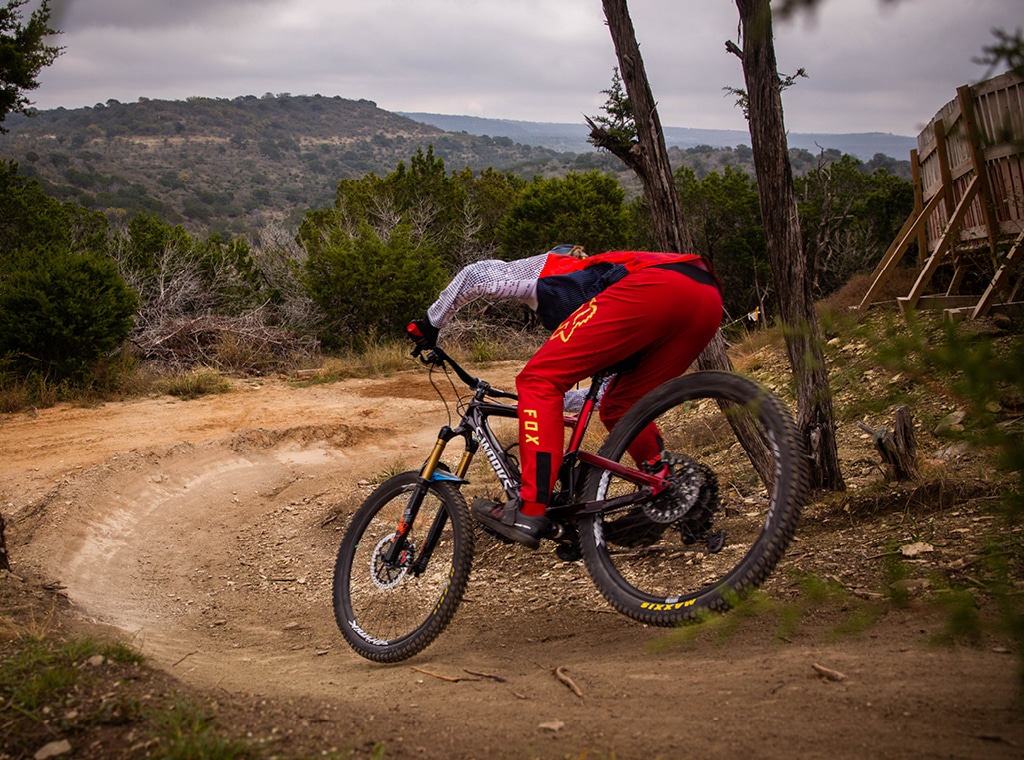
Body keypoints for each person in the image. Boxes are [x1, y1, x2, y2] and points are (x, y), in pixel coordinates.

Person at [407, 244, 723, 549]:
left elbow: (476, 276)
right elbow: (602, 395)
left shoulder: (555, 265)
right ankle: (670, 492)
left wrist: (430, 325)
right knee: (619, 406)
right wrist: (537, 408)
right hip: (706, 299)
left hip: (655, 285)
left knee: (536, 380)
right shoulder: (601, 285)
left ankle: (529, 509)